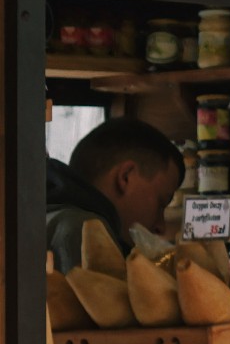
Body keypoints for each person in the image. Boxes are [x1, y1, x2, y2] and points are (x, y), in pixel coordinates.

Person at [46, 116, 183, 271]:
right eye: (161, 203)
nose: (161, 227)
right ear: (126, 177)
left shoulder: (46, 211)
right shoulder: (85, 232)